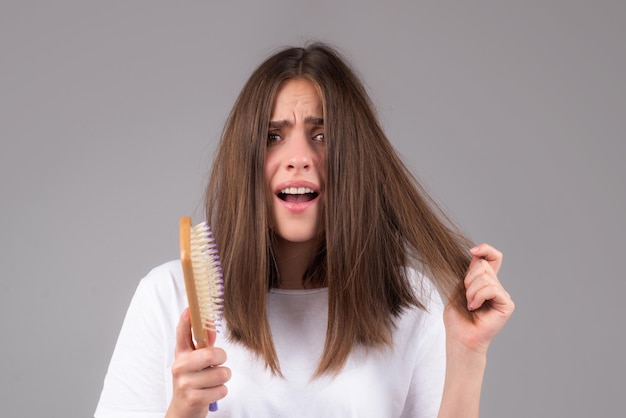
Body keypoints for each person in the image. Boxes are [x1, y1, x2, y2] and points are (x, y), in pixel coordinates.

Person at [95, 42, 514, 418]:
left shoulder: (410, 301)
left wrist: (467, 354)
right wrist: (182, 413)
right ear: (245, 159)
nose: (298, 157)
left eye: (322, 135)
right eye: (273, 136)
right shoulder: (168, 296)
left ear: (355, 158)